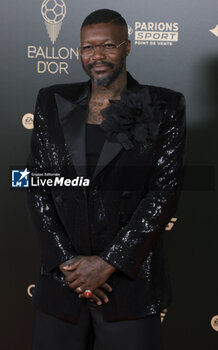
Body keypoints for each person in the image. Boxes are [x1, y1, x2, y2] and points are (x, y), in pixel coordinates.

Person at [27, 8, 186, 350]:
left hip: (129, 285)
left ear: (127, 47)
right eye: (87, 47)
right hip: (62, 282)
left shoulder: (164, 106)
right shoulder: (52, 101)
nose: (97, 56)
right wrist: (70, 264)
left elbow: (164, 193)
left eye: (108, 45)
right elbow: (37, 185)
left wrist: (108, 263)